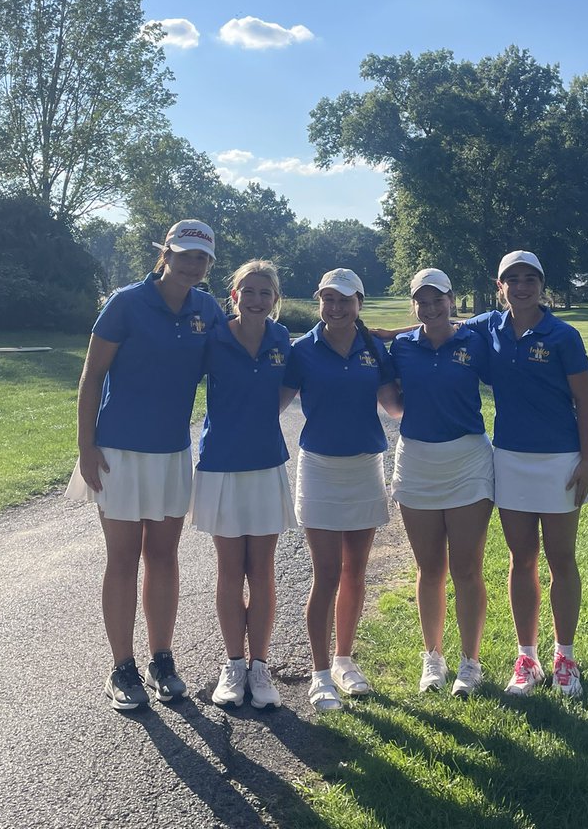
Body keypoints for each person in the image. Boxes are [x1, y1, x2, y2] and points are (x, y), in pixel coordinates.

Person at [66, 219, 223, 712]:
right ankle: (122, 667)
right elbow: (91, 377)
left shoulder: (207, 308)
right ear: (166, 254)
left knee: (163, 557)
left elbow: (238, 357)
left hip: (172, 451)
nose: (191, 264)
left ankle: (161, 660)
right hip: (118, 452)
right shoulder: (126, 302)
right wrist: (85, 446)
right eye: (183, 254)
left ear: (209, 264)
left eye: (201, 257)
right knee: (122, 559)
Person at [467, 250, 588, 700]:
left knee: (561, 560)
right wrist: (376, 332)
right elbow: (436, 324)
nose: (521, 287)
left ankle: (565, 657)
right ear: (499, 284)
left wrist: (587, 460)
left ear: (541, 284)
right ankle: (528, 658)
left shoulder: (564, 335)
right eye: (512, 280)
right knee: (520, 560)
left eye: (530, 279)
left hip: (561, 460)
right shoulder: (489, 326)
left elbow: (585, 402)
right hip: (510, 459)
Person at [280, 268, 402, 712]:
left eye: (345, 300)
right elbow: (274, 402)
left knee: (355, 571)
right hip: (318, 468)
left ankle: (344, 661)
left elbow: (394, 405)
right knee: (326, 573)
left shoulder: (374, 349)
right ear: (319, 302)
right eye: (328, 299)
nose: (336, 307)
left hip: (366, 465)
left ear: (359, 304)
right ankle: (318, 674)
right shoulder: (302, 350)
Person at [190, 260, 296, 711]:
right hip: (221, 464)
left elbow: (285, 391)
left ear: (275, 299)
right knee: (230, 569)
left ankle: (260, 665)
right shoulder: (213, 337)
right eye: (248, 291)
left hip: (266, 462)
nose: (256, 299)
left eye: (264, 292)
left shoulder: (281, 339)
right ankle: (233, 664)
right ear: (234, 296)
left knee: (263, 569)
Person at [390, 268, 494, 698]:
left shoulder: (476, 340)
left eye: (438, 300)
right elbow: (389, 394)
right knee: (428, 568)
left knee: (466, 568)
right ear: (414, 304)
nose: (431, 308)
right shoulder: (400, 346)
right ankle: (433, 659)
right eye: (422, 301)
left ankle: (471, 664)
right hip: (416, 462)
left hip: (468, 459)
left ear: (452, 299)